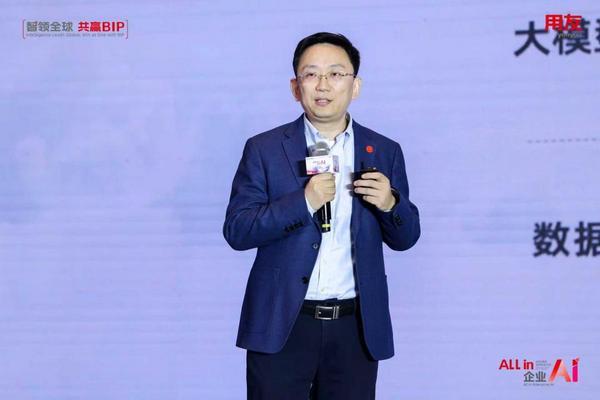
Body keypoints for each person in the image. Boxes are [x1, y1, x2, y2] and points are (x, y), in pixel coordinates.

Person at [223, 32, 420, 400]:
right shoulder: (265, 149)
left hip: (355, 327)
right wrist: (304, 202)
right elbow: (238, 229)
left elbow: (406, 238)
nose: (323, 85)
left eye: (336, 74)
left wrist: (391, 204)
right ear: (295, 87)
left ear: (355, 86)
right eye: (311, 74)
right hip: (283, 322)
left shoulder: (383, 150)